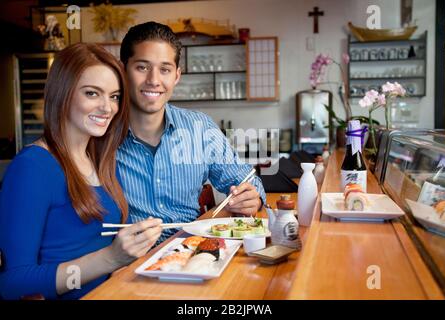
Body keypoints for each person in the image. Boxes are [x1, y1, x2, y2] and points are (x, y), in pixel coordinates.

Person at [0, 43, 162, 300]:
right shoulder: (32, 167)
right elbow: (12, 283)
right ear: (62, 94)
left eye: (114, 96)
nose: (108, 108)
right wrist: (110, 258)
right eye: (92, 93)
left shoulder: (103, 162)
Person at [117, 21, 266, 243]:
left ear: (177, 76)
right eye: (142, 67)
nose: (154, 80)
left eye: (165, 70)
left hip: (190, 252)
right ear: (122, 70)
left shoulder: (200, 129)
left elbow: (247, 181)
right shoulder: (102, 134)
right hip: (128, 263)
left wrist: (252, 197)